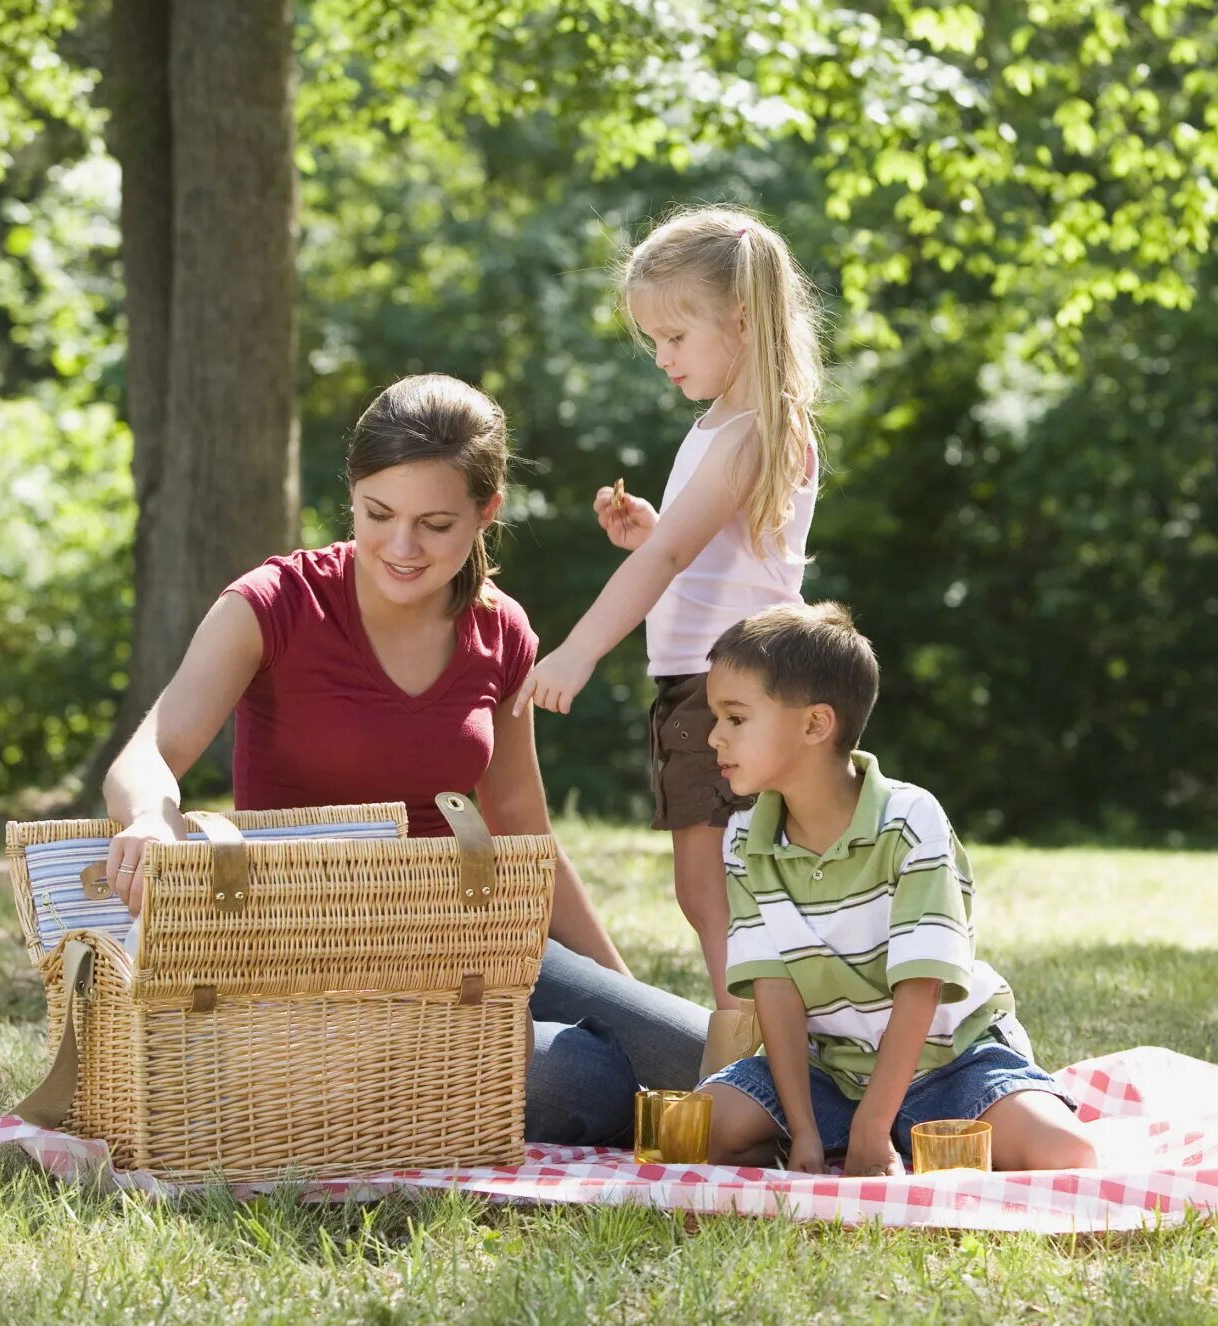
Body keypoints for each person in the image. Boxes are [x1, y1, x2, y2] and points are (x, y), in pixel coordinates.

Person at [99, 373, 708, 1145]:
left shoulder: (502, 632)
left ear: (488, 512)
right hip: (314, 955)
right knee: (575, 1079)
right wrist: (152, 819)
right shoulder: (274, 603)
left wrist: (620, 998)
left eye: (436, 523)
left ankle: (888, 1125)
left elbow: (522, 827)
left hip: (465, 935)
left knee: (703, 1053)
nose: (401, 546)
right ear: (351, 492)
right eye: (377, 514)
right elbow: (148, 752)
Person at [510, 206, 824, 1014]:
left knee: (716, 884)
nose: (662, 358)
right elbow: (710, 554)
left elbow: (674, 558)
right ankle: (760, 1034)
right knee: (724, 881)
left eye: (676, 338)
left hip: (729, 687)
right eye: (654, 340)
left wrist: (577, 651)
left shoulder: (747, 433)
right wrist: (653, 530)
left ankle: (749, 1041)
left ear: (742, 321)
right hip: (733, 680)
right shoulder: (727, 427)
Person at [691, 603, 1098, 1176]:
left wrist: (872, 1126)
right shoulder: (743, 839)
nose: (714, 737)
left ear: (815, 724)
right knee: (700, 1127)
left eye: (735, 718)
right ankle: (882, 1140)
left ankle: (896, 1133)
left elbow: (922, 983)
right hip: (829, 1072)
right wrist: (804, 1131)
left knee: (1067, 1155)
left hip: (951, 1062)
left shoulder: (909, 820)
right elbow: (775, 992)